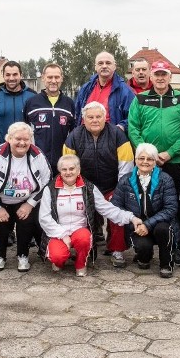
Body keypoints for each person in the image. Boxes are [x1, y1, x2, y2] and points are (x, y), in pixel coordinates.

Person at [128, 60, 180, 265]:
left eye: (163, 74)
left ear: (170, 77)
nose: (160, 78)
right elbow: (133, 128)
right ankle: (143, 246)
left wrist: (170, 152)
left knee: (174, 203)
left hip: (174, 160)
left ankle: (175, 247)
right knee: (145, 202)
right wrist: (147, 154)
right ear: (151, 76)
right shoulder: (140, 99)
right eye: (156, 74)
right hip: (146, 162)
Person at [39, 155, 143, 277]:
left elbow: (107, 209)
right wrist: (63, 235)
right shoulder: (50, 189)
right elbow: (44, 218)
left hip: (80, 230)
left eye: (72, 169)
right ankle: (59, 260)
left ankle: (81, 264)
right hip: (59, 232)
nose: (68, 172)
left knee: (84, 238)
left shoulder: (88, 188)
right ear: (59, 171)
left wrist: (131, 217)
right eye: (64, 169)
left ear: (78, 170)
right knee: (57, 257)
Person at [62, 101, 134, 266]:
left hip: (111, 186)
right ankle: (82, 248)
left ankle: (117, 250)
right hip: (84, 186)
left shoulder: (117, 134)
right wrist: (77, 188)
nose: (95, 120)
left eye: (98, 116)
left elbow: (126, 165)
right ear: (84, 119)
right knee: (80, 215)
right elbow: (68, 165)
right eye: (90, 117)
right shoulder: (74, 136)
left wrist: (119, 190)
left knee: (117, 209)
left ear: (105, 117)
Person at [0, 122, 51, 272]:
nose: (22, 143)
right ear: (9, 139)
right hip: (0, 200)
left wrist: (30, 204)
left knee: (27, 222)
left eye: (26, 139)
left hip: (26, 199)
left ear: (31, 140)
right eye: (18, 138)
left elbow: (47, 181)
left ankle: (23, 255)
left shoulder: (38, 155)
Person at [111, 143, 178, 277]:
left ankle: (166, 264)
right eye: (141, 158)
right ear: (135, 160)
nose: (145, 162)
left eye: (150, 159)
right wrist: (133, 220)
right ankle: (144, 256)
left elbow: (171, 208)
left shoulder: (165, 180)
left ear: (155, 162)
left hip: (160, 224)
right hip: (136, 225)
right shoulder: (125, 180)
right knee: (143, 255)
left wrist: (147, 224)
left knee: (163, 229)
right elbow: (116, 206)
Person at [24, 63, 76, 176]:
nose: (53, 81)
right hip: (36, 161)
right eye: (49, 77)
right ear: (43, 78)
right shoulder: (31, 102)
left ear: (62, 78)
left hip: (62, 163)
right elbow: (25, 131)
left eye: (57, 77)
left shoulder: (69, 103)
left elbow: (73, 133)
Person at [74, 51, 135, 130]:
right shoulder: (85, 89)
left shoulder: (126, 91)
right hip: (85, 138)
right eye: (100, 63)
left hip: (112, 139)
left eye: (108, 63)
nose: (104, 66)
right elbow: (77, 114)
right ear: (95, 67)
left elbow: (134, 118)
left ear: (114, 66)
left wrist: (121, 127)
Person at [0, 60, 37, 138]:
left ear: (21, 75)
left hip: (25, 145)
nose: (11, 78)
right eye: (8, 75)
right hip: (2, 146)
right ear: (3, 76)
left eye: (15, 74)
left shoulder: (33, 96)